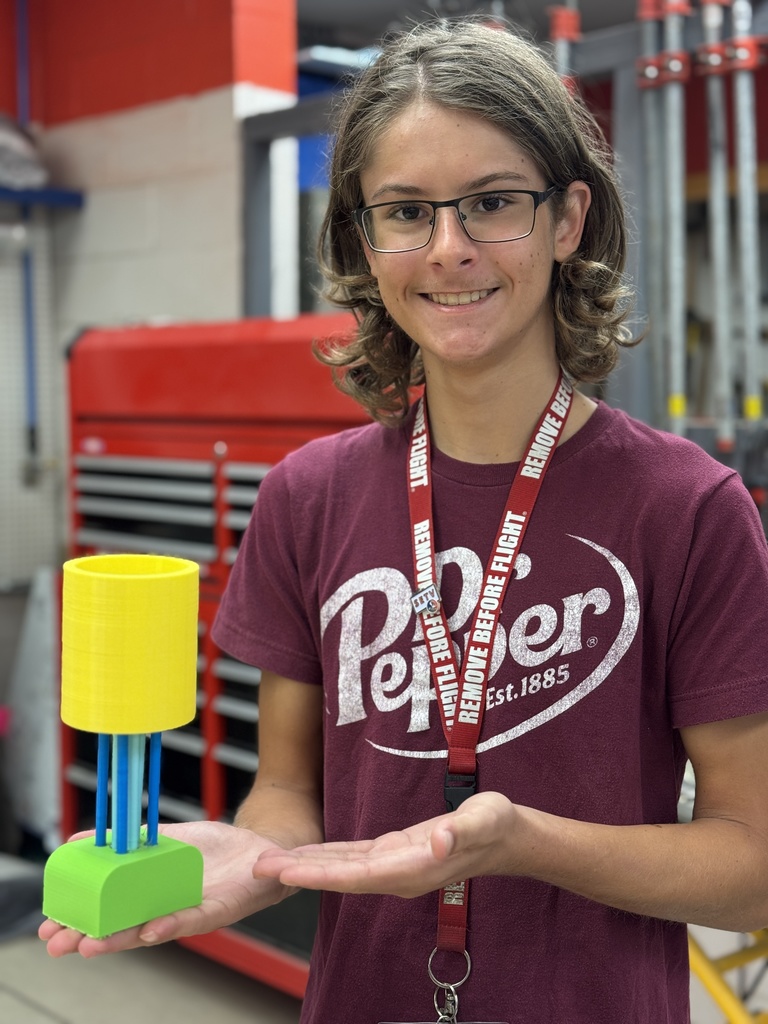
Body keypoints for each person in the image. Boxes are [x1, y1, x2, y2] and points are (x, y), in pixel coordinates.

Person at [41, 17, 768, 1024]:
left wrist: (522, 842)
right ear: (364, 239)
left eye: (493, 203)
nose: (450, 249)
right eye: (407, 211)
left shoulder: (689, 510)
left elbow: (751, 867)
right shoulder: (308, 497)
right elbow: (287, 792)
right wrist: (262, 856)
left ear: (568, 221)